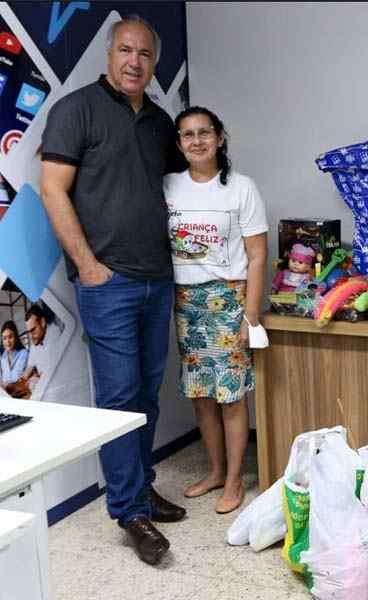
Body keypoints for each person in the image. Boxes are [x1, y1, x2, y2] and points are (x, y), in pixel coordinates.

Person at [39, 15, 188, 566]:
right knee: (119, 399)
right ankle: (129, 512)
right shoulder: (75, 110)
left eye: (144, 55)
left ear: (153, 62)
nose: (134, 62)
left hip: (157, 279)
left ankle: (142, 489)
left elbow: (181, 185)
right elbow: (53, 191)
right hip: (109, 284)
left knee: (145, 396)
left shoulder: (158, 121)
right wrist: (88, 266)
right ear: (109, 54)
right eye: (125, 50)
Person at [165, 106, 267, 514]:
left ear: (220, 137)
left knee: (231, 396)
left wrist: (251, 316)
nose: (196, 141)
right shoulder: (168, 186)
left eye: (204, 132)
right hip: (186, 303)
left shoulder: (241, 188)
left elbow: (257, 256)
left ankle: (234, 480)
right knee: (201, 395)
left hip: (228, 302)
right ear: (179, 143)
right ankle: (214, 470)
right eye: (187, 135)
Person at [0, 320, 28, 394]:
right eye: (4, 338)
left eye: (10, 337)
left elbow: (27, 379)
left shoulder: (24, 354)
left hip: (22, 396)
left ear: (15, 337)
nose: (8, 342)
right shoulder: (2, 359)